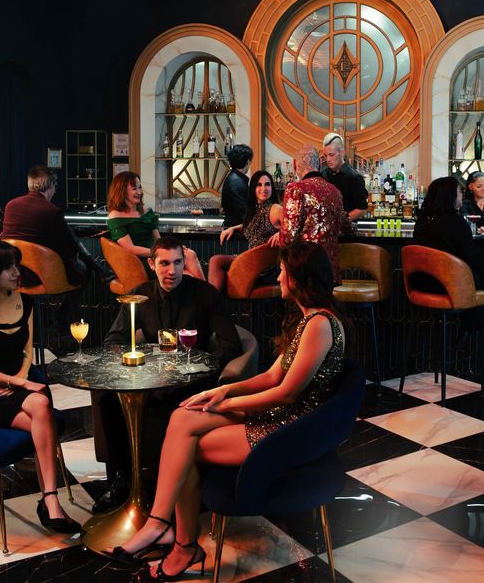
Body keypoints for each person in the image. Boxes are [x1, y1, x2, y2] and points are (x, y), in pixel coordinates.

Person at [103, 242, 346, 579]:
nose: (277, 277)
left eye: (282, 271)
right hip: (280, 417)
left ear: (298, 278)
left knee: (185, 447)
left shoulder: (320, 324)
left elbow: (286, 396)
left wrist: (226, 403)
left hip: (290, 430)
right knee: (182, 417)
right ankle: (165, 528)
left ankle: (174, 537)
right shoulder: (309, 320)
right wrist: (222, 389)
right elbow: (272, 375)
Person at [91, 236, 243, 514]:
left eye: (177, 263)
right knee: (106, 397)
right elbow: (112, 340)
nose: (171, 271)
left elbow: (231, 344)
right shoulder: (140, 295)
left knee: (170, 405)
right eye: (164, 263)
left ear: (184, 263)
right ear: (152, 264)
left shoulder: (205, 294)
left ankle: (178, 484)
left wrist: (203, 370)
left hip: (191, 382)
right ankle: (122, 479)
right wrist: (138, 362)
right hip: (151, 379)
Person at [0, 239, 79, 533]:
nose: (16, 272)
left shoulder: (25, 302)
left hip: (18, 387)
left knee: (40, 409)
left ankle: (50, 499)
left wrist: (22, 379)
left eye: (15, 265)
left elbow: (27, 350)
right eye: (7, 267)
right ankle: (51, 501)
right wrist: (20, 383)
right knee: (42, 409)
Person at [106, 171, 203, 279]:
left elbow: (158, 240)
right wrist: (159, 252)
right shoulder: (115, 216)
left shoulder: (147, 212)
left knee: (190, 254)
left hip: (158, 255)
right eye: (134, 189)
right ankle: (205, 293)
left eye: (140, 187)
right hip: (139, 262)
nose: (139, 192)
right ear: (122, 191)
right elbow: (130, 249)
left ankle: (207, 295)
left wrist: (174, 248)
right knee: (188, 277)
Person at [3, 166, 88, 286]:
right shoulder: (52, 211)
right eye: (55, 186)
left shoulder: (10, 205)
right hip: (41, 274)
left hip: (12, 270)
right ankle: (67, 306)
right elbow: (69, 248)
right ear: (51, 185)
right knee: (83, 268)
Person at [276, 145, 346, 282]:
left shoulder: (295, 189)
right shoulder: (334, 191)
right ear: (319, 164)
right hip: (330, 271)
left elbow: (288, 236)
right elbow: (345, 224)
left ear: (295, 165)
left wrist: (279, 237)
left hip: (306, 271)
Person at [208, 170, 282, 293]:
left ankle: (212, 306)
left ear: (272, 188)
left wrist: (281, 233)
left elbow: (293, 227)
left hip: (264, 267)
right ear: (253, 188)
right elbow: (253, 225)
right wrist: (233, 228)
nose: (264, 188)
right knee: (216, 261)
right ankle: (213, 304)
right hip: (250, 262)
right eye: (259, 185)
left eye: (267, 184)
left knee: (217, 261)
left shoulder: (276, 208)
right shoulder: (254, 210)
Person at [412, 176, 484, 294]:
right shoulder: (457, 223)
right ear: (450, 195)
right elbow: (472, 258)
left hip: (421, 284)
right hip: (451, 285)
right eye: (459, 191)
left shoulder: (422, 221)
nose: (462, 194)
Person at [321, 133, 368, 225]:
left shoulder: (354, 177)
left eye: (331, 155)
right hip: (327, 232)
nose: (328, 159)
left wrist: (339, 221)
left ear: (342, 153)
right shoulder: (323, 174)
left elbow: (362, 210)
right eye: (325, 155)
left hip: (348, 232)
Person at [221, 144, 253, 228]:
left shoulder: (234, 178)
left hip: (232, 228)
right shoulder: (237, 181)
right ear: (247, 161)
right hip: (235, 231)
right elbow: (242, 212)